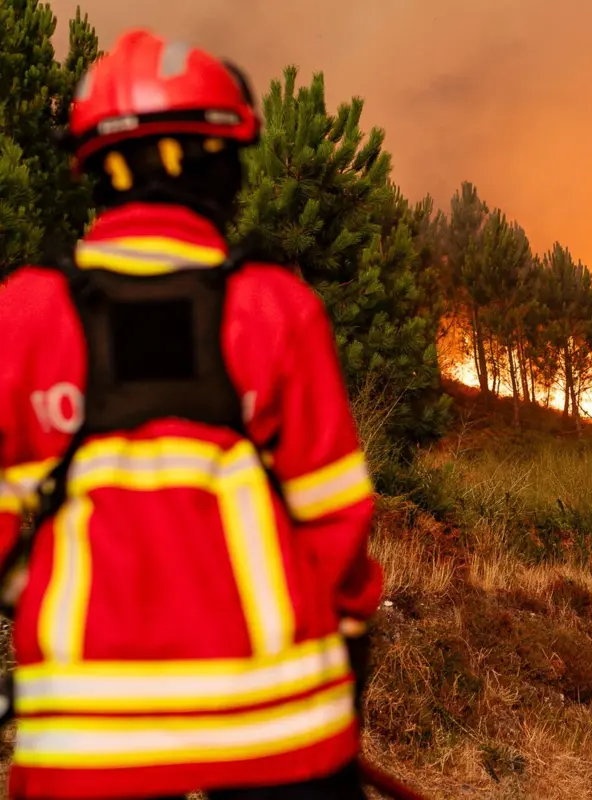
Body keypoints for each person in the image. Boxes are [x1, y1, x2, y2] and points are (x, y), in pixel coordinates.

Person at [0, 29, 381, 799]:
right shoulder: (277, 310)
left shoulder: (24, 318)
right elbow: (337, 524)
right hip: (283, 733)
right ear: (223, 165)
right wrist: (347, 648)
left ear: (93, 169)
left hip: (87, 744)